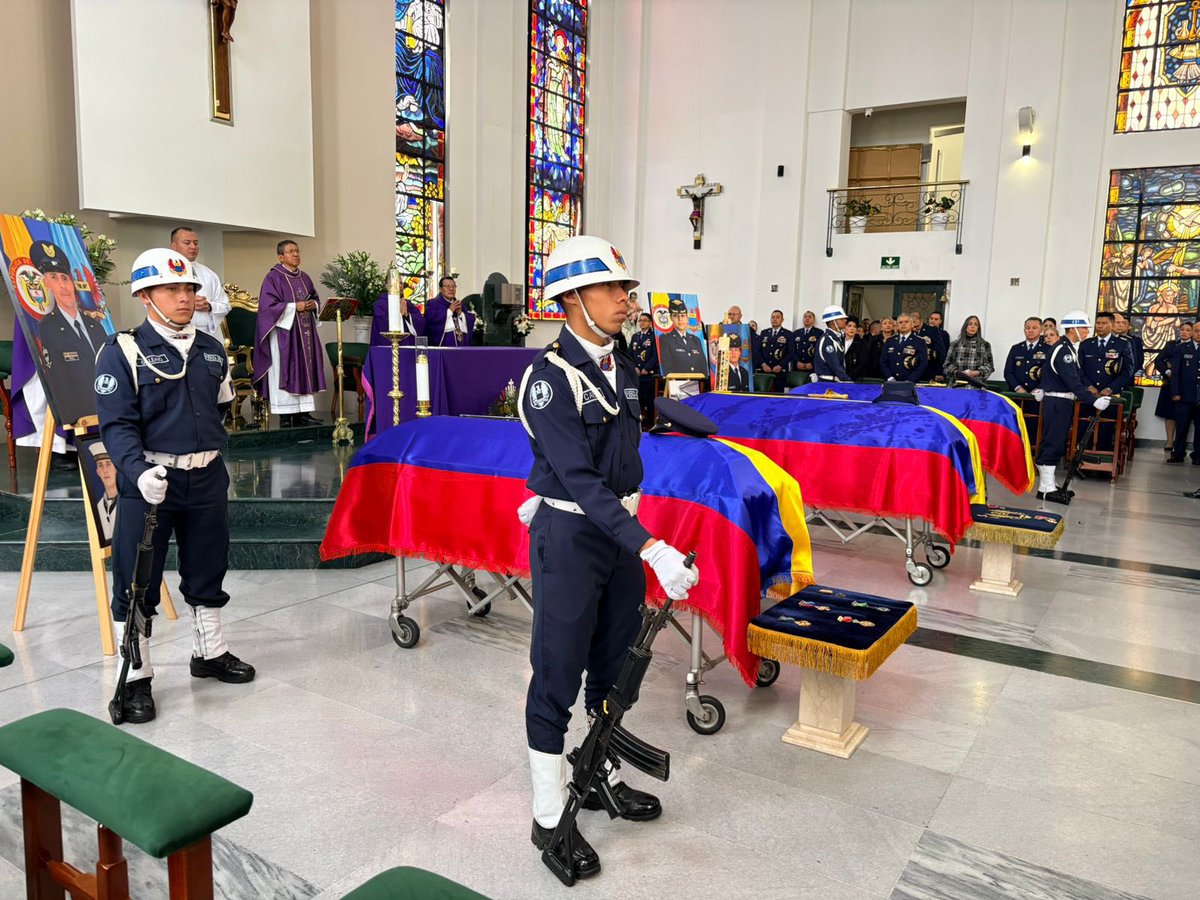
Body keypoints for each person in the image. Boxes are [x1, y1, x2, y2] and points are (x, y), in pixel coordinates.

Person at [516, 235, 699, 880]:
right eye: (612, 289)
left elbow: (625, 461)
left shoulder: (621, 367)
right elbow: (578, 478)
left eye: (626, 287)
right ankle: (546, 817)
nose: (626, 299)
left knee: (614, 667)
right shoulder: (549, 380)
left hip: (619, 534)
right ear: (571, 300)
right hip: (571, 538)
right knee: (557, 673)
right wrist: (651, 545)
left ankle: (597, 776)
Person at [93, 248, 255, 724]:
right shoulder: (121, 350)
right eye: (171, 289)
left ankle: (209, 652)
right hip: (148, 481)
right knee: (136, 577)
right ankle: (137, 677)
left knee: (208, 566)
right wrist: (139, 471)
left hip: (205, 475)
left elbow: (221, 405)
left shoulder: (211, 348)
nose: (185, 298)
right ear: (145, 295)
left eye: (189, 289)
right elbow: (116, 425)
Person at [31, 240, 108, 428]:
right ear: (47, 284)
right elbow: (60, 380)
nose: (62, 286)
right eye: (54, 278)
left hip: (107, 406)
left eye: (65, 278)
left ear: (73, 284)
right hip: (78, 412)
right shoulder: (47, 328)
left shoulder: (95, 326)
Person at [1033, 310, 1109, 502]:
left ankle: (1047, 484)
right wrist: (1093, 400)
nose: (1086, 332)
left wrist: (1043, 387)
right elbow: (1072, 381)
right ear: (1073, 328)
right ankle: (1046, 487)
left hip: (1060, 400)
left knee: (1054, 441)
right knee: (1054, 442)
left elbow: (1051, 373)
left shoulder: (1067, 348)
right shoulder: (1064, 350)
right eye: (1084, 328)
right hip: (1059, 401)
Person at [253, 241, 326, 428]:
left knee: (305, 369)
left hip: (305, 332)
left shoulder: (305, 277)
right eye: (290, 251)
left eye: (296, 251)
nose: (295, 254)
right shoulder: (273, 278)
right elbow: (267, 307)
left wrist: (312, 305)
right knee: (284, 369)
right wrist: (295, 307)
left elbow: (314, 298)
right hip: (284, 335)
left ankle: (304, 413)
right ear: (280, 257)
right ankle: (285, 415)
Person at [1078, 311, 1134, 451]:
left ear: (1112, 325)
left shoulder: (1122, 344)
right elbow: (1079, 369)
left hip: (1110, 395)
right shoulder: (1086, 344)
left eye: (1104, 323)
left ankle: (1103, 462)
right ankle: (1083, 459)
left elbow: (1127, 370)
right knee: (1085, 427)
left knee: (1106, 429)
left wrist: (1111, 388)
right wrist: (1089, 386)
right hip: (1089, 395)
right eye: (1098, 323)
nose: (1100, 326)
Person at [168, 227, 230, 341]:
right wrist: (186, 303)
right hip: (173, 334)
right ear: (174, 246)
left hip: (205, 334)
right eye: (187, 243)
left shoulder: (209, 274)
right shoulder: (164, 273)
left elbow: (225, 306)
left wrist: (209, 306)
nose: (193, 247)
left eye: (195, 243)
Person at [1155, 322, 1192, 457]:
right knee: (1169, 412)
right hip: (1170, 383)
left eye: (1188, 330)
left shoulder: (1195, 347)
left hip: (1187, 385)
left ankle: (1180, 444)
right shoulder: (1171, 344)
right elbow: (1158, 360)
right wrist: (1167, 371)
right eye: (1182, 329)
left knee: (1184, 415)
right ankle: (1169, 441)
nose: (1184, 332)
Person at [1168, 325, 1200, 465]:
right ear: (1192, 332)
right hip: (1184, 396)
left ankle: (1197, 455)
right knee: (1181, 427)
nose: (1199, 334)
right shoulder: (1181, 348)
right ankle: (1178, 453)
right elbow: (1176, 373)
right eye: (1197, 331)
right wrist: (1175, 392)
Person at [657, 296, 707, 385]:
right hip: (677, 384)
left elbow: (703, 367)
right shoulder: (665, 339)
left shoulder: (696, 340)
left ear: (687, 318)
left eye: (683, 316)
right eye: (676, 316)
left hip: (697, 383)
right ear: (671, 318)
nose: (680, 319)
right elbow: (667, 368)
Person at [424, 276, 475, 347]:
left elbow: (470, 322)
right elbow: (431, 323)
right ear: (440, 289)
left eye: (454, 286)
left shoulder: (460, 305)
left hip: (461, 349)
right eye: (447, 286)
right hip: (443, 350)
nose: (451, 289)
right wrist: (449, 311)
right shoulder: (432, 304)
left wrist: (461, 314)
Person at [944, 315, 994, 383]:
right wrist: (958, 373)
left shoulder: (985, 345)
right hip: (956, 384)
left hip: (977, 384)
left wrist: (977, 372)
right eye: (970, 324)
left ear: (978, 328)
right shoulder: (955, 344)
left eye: (976, 325)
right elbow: (947, 364)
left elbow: (990, 367)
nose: (972, 326)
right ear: (965, 326)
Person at [1005, 317, 1048, 392]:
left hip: (1037, 396)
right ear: (1024, 330)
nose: (1030, 330)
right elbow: (1008, 372)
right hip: (1017, 394)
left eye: (1034, 328)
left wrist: (1039, 388)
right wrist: (1017, 387)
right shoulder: (1016, 348)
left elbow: (1049, 374)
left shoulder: (1047, 349)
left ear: (1041, 330)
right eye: (1027, 328)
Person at [881, 313, 927, 382]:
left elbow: (923, 363)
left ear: (912, 324)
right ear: (897, 325)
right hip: (891, 382)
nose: (903, 324)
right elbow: (883, 361)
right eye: (900, 322)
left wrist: (910, 380)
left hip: (910, 382)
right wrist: (889, 377)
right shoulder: (890, 341)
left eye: (906, 322)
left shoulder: (919, 341)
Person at [631, 312, 658, 425]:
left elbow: (655, 355)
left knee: (650, 399)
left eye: (644, 320)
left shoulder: (654, 336)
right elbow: (630, 354)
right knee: (638, 399)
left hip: (649, 374)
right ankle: (639, 422)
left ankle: (651, 422)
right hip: (637, 374)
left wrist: (647, 368)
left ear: (650, 322)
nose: (641, 323)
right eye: (640, 321)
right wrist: (634, 367)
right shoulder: (635, 336)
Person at [90, 441, 119, 542]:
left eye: (108, 464)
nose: (105, 470)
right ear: (97, 472)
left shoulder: (127, 502)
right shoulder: (98, 506)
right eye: (100, 465)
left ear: (116, 468)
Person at [757, 309, 791, 391]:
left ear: (782, 320)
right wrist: (763, 364)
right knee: (763, 398)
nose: (774, 319)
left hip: (780, 372)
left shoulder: (788, 334)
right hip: (765, 372)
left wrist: (780, 365)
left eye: (777, 317)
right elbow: (758, 351)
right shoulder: (764, 333)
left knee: (778, 398)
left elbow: (791, 353)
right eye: (772, 317)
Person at [813, 305, 849, 382]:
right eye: (842, 318)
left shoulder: (836, 338)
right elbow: (835, 366)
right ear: (833, 321)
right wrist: (847, 381)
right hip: (827, 384)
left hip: (834, 382)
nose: (845, 320)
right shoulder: (827, 340)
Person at [791, 310, 821, 379]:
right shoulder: (796, 333)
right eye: (805, 317)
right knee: (798, 389)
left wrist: (811, 363)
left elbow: (819, 352)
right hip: (797, 368)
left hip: (812, 368)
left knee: (811, 389)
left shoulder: (819, 333)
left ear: (814, 320)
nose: (807, 318)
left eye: (810, 317)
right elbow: (792, 350)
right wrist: (797, 362)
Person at [921, 311, 951, 381]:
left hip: (936, 367)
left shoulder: (944, 334)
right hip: (923, 367)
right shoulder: (922, 332)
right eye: (931, 318)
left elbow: (944, 354)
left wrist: (939, 371)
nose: (933, 321)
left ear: (940, 321)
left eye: (936, 319)